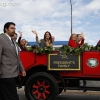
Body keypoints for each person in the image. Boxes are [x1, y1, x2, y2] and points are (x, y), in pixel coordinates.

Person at [0, 22, 26, 100]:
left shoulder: (13, 42)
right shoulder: (1, 39)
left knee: (3, 96)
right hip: (5, 74)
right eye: (12, 28)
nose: (14, 30)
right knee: (12, 96)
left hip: (14, 73)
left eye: (14, 28)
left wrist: (22, 69)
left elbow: (17, 58)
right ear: (6, 29)